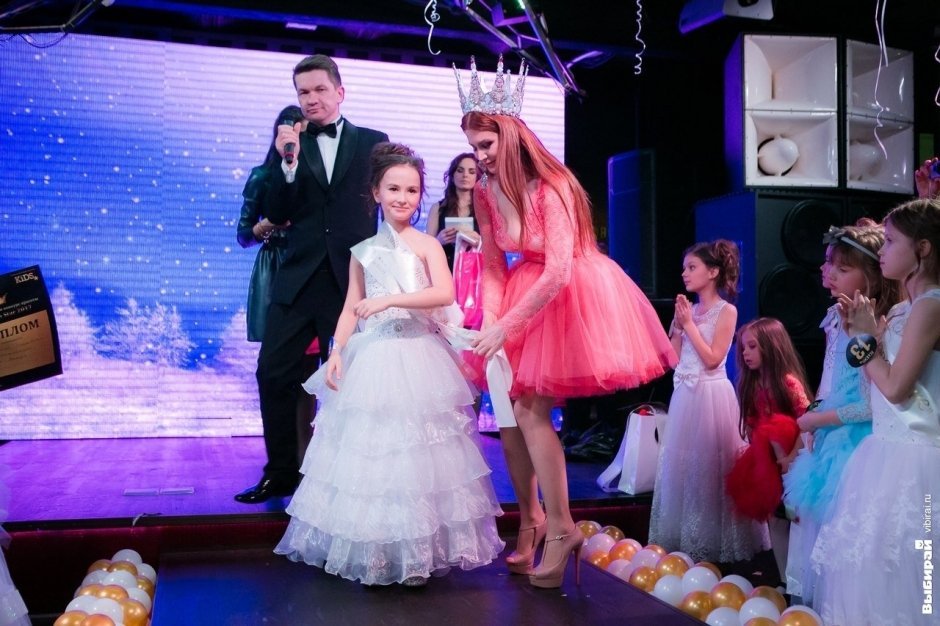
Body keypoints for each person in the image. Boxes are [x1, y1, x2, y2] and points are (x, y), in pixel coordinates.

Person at [458, 56, 677, 588]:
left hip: (568, 293)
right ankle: (533, 520)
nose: (479, 156)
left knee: (531, 409)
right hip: (519, 294)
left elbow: (558, 270)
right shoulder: (485, 192)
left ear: (511, 134)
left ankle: (561, 527)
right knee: (510, 415)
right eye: (474, 146)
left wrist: (507, 326)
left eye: (486, 144)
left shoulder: (552, 186)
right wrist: (491, 316)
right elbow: (493, 264)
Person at [274, 142, 504, 587]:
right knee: (374, 459)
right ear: (376, 192)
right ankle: (378, 552)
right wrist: (337, 350)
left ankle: (416, 554)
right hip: (374, 359)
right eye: (394, 188)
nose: (403, 197)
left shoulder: (426, 245)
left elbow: (444, 293)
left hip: (418, 356)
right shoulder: (363, 250)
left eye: (412, 190)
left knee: (417, 458)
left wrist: (389, 301)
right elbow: (350, 306)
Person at [236, 54, 389, 504]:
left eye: (320, 89)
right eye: (303, 92)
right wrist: (288, 164)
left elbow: (392, 198)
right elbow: (276, 212)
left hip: (351, 281)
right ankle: (281, 472)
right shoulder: (290, 144)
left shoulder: (373, 143)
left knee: (354, 381)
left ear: (340, 92)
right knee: (272, 373)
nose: (311, 99)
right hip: (298, 280)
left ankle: (353, 476)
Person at [811, 198, 940, 625]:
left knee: (919, 579)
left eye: (891, 241)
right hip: (884, 454)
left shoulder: (931, 305)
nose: (881, 250)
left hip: (918, 458)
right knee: (875, 575)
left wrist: (865, 339)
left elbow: (896, 389)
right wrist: (863, 336)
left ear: (922, 248)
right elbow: (875, 377)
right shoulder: (903, 308)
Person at [782, 221, 899, 604]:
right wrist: (812, 419)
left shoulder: (877, 326)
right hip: (828, 438)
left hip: (856, 447)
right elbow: (829, 383)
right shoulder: (835, 316)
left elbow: (870, 404)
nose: (829, 272)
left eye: (843, 268)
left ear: (873, 277)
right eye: (829, 263)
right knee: (816, 540)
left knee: (843, 545)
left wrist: (816, 420)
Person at [648, 240, 770, 564]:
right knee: (683, 469)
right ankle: (686, 541)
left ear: (713, 272)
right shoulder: (689, 310)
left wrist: (689, 325)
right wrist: (678, 327)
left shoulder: (726, 311)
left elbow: (714, 358)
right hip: (685, 395)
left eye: (692, 267)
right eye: (684, 268)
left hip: (711, 397)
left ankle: (716, 546)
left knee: (711, 470)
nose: (685, 274)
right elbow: (674, 359)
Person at [236, 105, 320, 467]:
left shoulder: (318, 177)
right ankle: (280, 464)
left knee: (308, 372)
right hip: (274, 272)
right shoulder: (262, 176)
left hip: (311, 270)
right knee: (274, 370)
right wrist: (268, 224)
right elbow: (243, 235)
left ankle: (306, 462)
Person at [725, 317, 811, 584]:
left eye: (752, 347)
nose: (745, 353)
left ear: (771, 346)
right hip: (767, 462)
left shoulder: (788, 383)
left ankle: (801, 578)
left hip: (793, 459)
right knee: (776, 519)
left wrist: (790, 457)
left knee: (795, 517)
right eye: (743, 348)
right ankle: (784, 578)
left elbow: (807, 423)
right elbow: (754, 426)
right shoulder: (752, 385)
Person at [426, 152, 482, 268]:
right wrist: (439, 241)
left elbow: (495, 252)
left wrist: (480, 242)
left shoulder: (484, 209)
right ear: (452, 175)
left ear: (478, 177)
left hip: (474, 271)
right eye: (460, 170)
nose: (465, 175)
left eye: (471, 172)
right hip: (444, 270)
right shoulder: (438, 208)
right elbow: (426, 249)